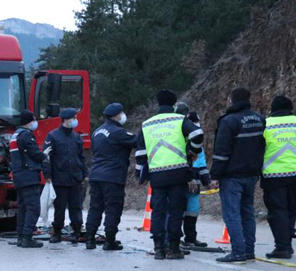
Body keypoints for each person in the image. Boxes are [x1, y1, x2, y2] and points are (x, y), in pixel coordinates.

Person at [135, 89, 205, 260]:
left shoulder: (147, 124)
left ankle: (159, 248)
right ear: (174, 105)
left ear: (158, 103)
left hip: (157, 175)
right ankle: (174, 248)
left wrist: (140, 175)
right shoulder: (180, 120)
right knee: (175, 211)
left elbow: (140, 153)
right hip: (178, 173)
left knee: (158, 211)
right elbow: (197, 134)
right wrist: (192, 152)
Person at [211, 87, 266, 264]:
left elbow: (221, 152)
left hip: (232, 176)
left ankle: (238, 253)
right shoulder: (259, 119)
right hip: (251, 174)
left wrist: (215, 175)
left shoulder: (229, 121)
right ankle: (249, 251)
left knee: (232, 214)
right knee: (247, 213)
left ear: (231, 100)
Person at [85, 102, 137, 250]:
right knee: (112, 209)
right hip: (112, 176)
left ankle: (90, 239)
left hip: (96, 175)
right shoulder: (118, 132)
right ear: (117, 115)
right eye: (122, 113)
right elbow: (138, 141)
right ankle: (109, 241)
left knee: (95, 208)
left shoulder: (96, 132)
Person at [44, 108, 87, 243]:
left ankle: (76, 232)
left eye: (75, 117)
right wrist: (47, 175)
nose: (75, 120)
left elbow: (81, 157)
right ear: (65, 120)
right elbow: (46, 157)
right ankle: (56, 233)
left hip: (75, 178)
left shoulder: (76, 137)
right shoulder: (53, 136)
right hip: (59, 178)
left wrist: (84, 174)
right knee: (59, 208)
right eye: (73, 118)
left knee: (76, 207)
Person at [173, 102, 212, 248]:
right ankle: (176, 238)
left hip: (194, 181)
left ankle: (190, 237)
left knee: (192, 211)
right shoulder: (178, 136)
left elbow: (201, 163)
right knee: (178, 210)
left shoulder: (197, 140)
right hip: (180, 178)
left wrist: (207, 181)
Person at [261, 95, 296, 259]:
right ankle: (287, 245)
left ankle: (283, 247)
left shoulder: (266, 125)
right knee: (291, 210)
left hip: (274, 175)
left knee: (278, 212)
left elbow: (257, 150)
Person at [10, 109, 47, 248]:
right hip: (29, 175)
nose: (35, 123)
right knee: (33, 208)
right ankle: (27, 238)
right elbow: (34, 153)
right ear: (28, 121)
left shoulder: (15, 135)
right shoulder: (26, 135)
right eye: (34, 120)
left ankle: (21, 237)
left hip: (19, 176)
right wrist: (45, 155)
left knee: (23, 208)